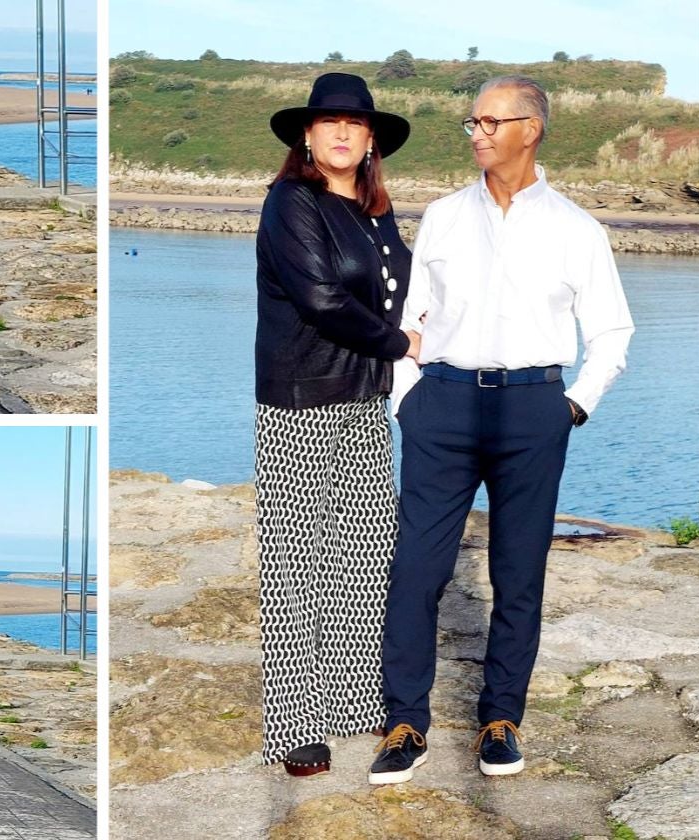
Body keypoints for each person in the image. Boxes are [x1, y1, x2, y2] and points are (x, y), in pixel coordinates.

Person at [370, 76, 635, 785]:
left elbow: (611, 332)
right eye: (473, 122)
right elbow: (410, 318)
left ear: (532, 129)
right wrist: (407, 397)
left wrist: (572, 406)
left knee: (517, 573)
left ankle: (500, 721)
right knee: (414, 570)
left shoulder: (577, 229)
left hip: (532, 410)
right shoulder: (446, 217)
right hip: (443, 406)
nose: (479, 132)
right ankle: (405, 723)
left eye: (493, 121)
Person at [255, 72, 420, 777]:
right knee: (294, 563)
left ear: (371, 137)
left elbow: (409, 288)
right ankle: (295, 725)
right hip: (299, 398)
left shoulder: (378, 211)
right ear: (307, 135)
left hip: (363, 400)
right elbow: (322, 298)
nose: (344, 132)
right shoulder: (291, 202)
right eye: (330, 123)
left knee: (362, 554)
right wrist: (400, 344)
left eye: (356, 123)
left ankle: (353, 702)